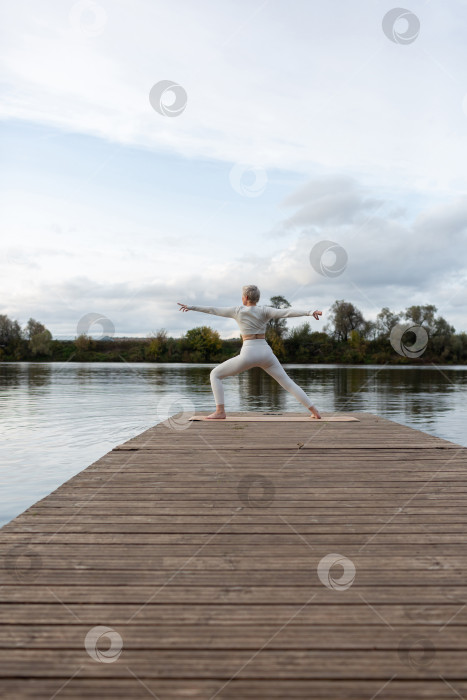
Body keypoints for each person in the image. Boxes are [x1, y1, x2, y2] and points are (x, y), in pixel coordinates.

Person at [177, 285, 323, 420]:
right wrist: (310, 312)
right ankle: (314, 411)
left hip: (249, 352)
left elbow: (213, 310)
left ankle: (220, 411)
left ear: (245, 298)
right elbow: (287, 312)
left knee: (215, 374)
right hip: (266, 352)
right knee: (287, 383)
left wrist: (191, 307)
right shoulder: (265, 310)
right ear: (256, 299)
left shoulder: (237, 311)